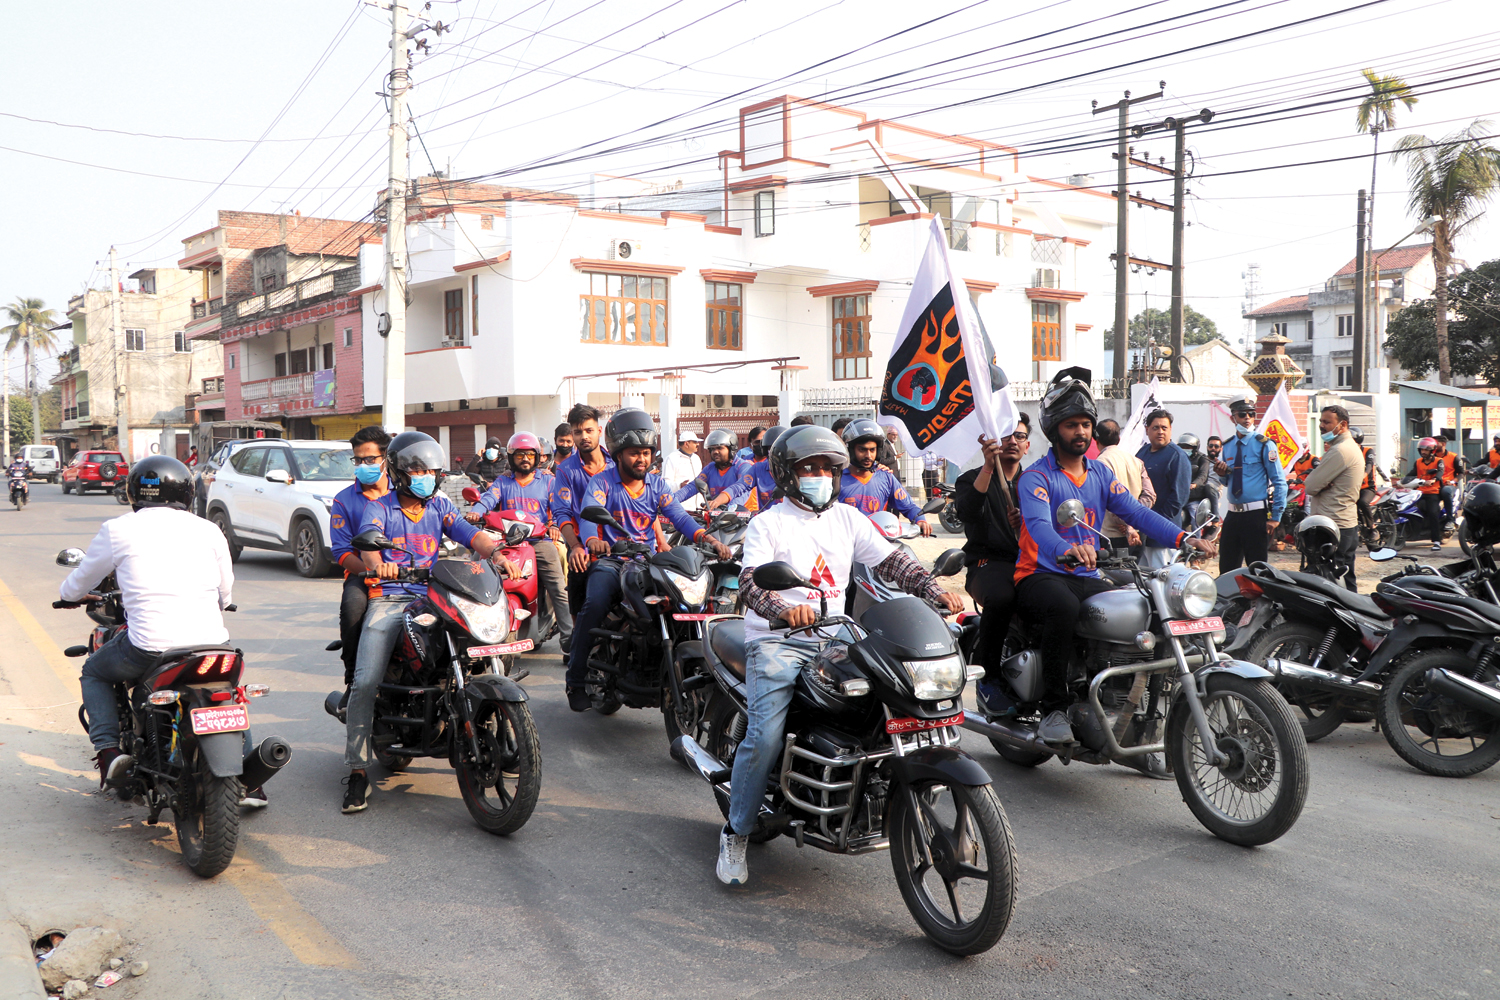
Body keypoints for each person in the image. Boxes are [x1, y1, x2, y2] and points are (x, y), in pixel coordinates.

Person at [716, 425, 963, 885]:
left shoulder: (848, 518)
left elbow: (892, 560)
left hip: (836, 636)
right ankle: (736, 832)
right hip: (777, 641)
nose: (820, 477)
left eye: (828, 469)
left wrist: (932, 588)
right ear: (788, 475)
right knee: (765, 736)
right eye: (809, 468)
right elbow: (751, 583)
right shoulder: (768, 523)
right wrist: (785, 609)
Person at [1015, 372, 1215, 744]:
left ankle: (1133, 703)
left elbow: (1136, 512)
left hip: (1091, 569)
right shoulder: (1035, 478)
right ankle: (1056, 706)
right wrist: (1067, 548)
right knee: (1062, 607)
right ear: (1054, 430)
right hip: (1041, 571)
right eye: (1072, 425)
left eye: (1086, 425)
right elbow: (1041, 528)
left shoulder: (1100, 472)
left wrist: (1184, 536)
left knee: (1149, 600)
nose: (1081, 432)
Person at [58, 457, 260, 802]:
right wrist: (221, 602)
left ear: (134, 492)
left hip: (150, 647)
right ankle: (253, 784)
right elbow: (226, 592)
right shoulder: (208, 529)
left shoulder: (118, 529)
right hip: (213, 646)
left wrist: (68, 597)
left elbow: (76, 586)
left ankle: (108, 754)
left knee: (93, 671)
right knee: (224, 692)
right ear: (186, 491)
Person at [343, 432, 522, 814]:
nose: (428, 476)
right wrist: (380, 566)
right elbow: (368, 551)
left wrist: (499, 554)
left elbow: (471, 535)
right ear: (402, 472)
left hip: (435, 592)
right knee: (366, 679)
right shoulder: (380, 508)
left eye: (432, 470)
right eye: (419, 470)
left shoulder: (440, 505)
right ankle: (357, 770)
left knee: (483, 641)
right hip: (390, 597)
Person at [566, 409, 732, 712]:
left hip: (647, 560)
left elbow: (679, 518)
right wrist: (593, 541)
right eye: (633, 453)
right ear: (618, 454)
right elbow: (589, 514)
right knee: (595, 604)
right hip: (613, 560)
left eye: (645, 452)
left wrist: (707, 540)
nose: (641, 459)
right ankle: (575, 680)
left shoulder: (656, 486)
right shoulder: (602, 483)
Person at [467, 431, 574, 654]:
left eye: (529, 455)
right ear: (512, 457)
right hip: (506, 541)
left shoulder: (548, 481)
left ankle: (568, 637)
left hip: (539, 540)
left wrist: (554, 525)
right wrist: (476, 512)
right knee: (476, 568)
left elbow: (558, 507)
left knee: (557, 584)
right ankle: (473, 630)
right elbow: (488, 499)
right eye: (520, 455)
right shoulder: (503, 481)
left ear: (537, 457)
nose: (525, 459)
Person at [953, 414, 1031, 697]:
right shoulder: (971, 479)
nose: (1013, 441)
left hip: (1030, 563)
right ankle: (989, 677)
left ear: (1027, 444)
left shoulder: (1035, 482)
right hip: (988, 564)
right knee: (1002, 597)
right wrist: (988, 467)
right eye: (1006, 436)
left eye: (1019, 436)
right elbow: (968, 512)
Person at [329, 426, 392, 711]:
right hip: (364, 577)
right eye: (358, 460)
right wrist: (372, 572)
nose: (363, 466)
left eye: (369, 460)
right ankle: (353, 682)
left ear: (386, 459)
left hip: (408, 575)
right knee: (353, 608)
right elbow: (341, 551)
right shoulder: (345, 499)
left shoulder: (405, 493)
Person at [551, 404, 615, 617]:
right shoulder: (565, 470)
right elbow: (562, 512)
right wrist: (576, 547)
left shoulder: (617, 465)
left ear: (599, 430)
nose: (584, 437)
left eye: (588, 430)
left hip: (620, 545)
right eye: (578, 432)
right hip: (583, 549)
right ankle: (578, 641)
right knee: (579, 597)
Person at [1214, 398, 1287, 573]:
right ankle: (1231, 600)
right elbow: (1226, 481)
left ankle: (1258, 600)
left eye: (1251, 414)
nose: (1247, 418)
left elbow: (1279, 482)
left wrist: (1276, 517)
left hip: (1255, 515)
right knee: (1227, 567)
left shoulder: (1264, 444)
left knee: (1258, 568)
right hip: (1233, 514)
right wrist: (1222, 474)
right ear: (1233, 418)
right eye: (1242, 414)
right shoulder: (1228, 446)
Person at [1302, 405, 1364, 590]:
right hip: (1342, 523)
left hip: (1334, 525)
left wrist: (1320, 483)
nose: (1322, 425)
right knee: (1344, 579)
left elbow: (1310, 486)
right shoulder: (1343, 447)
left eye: (1327, 422)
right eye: (1321, 421)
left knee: (1331, 583)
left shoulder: (1340, 450)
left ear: (1342, 425)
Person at [836, 419, 931, 533]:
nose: (868, 455)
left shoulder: (886, 477)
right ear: (851, 450)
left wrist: (920, 520)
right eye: (862, 450)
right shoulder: (836, 479)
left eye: (872, 450)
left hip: (879, 543)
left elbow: (909, 506)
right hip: (847, 545)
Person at [1094, 419, 1155, 551]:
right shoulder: (1136, 461)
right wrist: (1134, 519)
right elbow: (1150, 495)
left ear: (1096, 440)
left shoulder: (1099, 464)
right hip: (1138, 533)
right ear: (1119, 439)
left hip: (1112, 535)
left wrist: (1128, 524)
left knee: (1113, 572)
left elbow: (1110, 501)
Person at [676, 429, 754, 511]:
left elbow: (740, 488)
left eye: (720, 448)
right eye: (712, 449)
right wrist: (669, 501)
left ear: (732, 449)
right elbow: (692, 487)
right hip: (716, 517)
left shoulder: (743, 466)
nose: (715, 452)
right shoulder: (710, 468)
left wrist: (722, 506)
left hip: (742, 518)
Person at [1136, 410, 1190, 525]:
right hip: (1140, 522)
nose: (1160, 432)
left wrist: (1158, 522)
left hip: (1164, 527)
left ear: (1170, 430)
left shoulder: (1177, 456)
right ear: (1147, 430)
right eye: (1155, 428)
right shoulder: (1142, 453)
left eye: (1164, 428)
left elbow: (1178, 498)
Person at [1407, 437, 1448, 552]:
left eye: (1426, 450)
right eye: (1422, 450)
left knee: (1432, 513)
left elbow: (1440, 473)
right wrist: (1401, 481)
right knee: (1410, 510)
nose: (1423, 452)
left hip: (1433, 492)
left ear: (1433, 450)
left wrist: (1433, 480)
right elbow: (1411, 474)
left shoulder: (1438, 461)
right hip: (1419, 492)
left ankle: (1436, 541)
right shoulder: (1418, 462)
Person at [745, 425, 789, 512]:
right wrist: (716, 502)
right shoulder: (757, 468)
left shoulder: (796, 470)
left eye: (777, 447)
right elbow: (739, 487)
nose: (774, 451)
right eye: (770, 448)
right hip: (765, 519)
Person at [1352, 427, 1383, 537]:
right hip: (1353, 487)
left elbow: (1369, 465)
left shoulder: (1368, 451)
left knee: (1363, 502)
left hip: (1367, 487)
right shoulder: (1349, 453)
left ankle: (1372, 527)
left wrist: (1364, 475)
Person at [1180, 432, 1217, 517]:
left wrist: (1194, 484)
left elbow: (1203, 475)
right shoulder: (1177, 458)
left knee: (1195, 516)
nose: (1185, 449)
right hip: (1180, 497)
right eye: (1183, 447)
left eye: (1188, 447)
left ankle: (1213, 522)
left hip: (1194, 497)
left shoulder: (1202, 458)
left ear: (1195, 448)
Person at [661, 430, 703, 496]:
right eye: (695, 442)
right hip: (680, 503)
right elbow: (665, 484)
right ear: (686, 444)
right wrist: (679, 485)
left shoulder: (696, 458)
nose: (698, 444)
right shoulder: (672, 458)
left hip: (698, 503)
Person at [1434, 434, 1465, 523]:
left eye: (1436, 443)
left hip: (1448, 485)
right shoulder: (1431, 457)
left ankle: (1450, 519)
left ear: (1443, 444)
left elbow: (1461, 473)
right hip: (1434, 484)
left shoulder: (1454, 457)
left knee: (1445, 491)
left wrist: (1452, 481)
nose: (1434, 445)